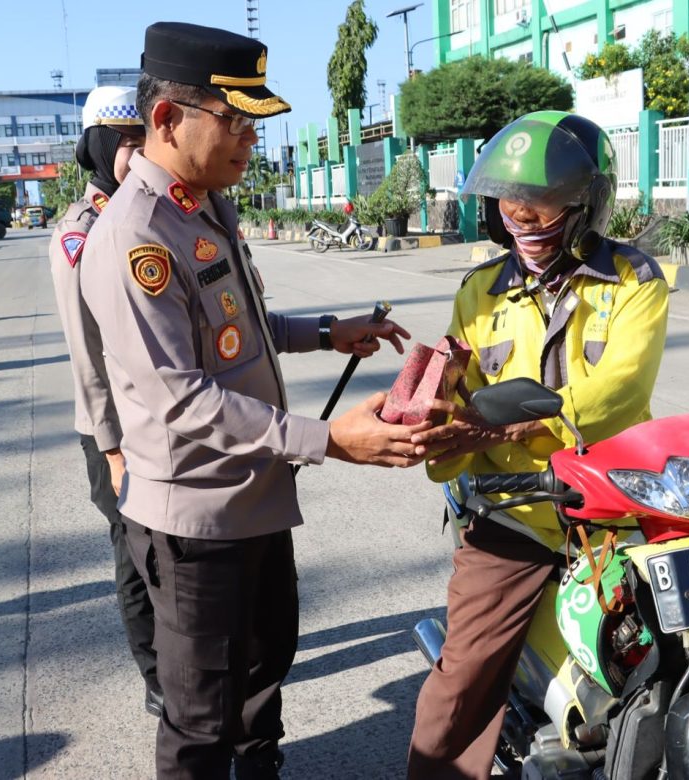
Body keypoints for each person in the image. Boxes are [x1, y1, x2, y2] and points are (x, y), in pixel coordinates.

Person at [79, 22, 430, 780]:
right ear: (168, 120)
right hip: (198, 521)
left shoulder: (203, 208)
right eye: (232, 121)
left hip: (256, 499)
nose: (248, 140)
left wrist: (329, 331)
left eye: (251, 124)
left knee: (262, 683)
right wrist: (330, 439)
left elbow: (238, 335)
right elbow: (181, 397)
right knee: (201, 720)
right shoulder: (136, 237)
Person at [405, 111, 670, 778]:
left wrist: (514, 421)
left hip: (612, 508)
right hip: (512, 514)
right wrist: (430, 422)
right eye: (510, 202)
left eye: (543, 201)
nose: (523, 216)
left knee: (682, 646)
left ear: (585, 203)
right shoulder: (479, 293)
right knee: (462, 682)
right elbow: (454, 420)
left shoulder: (635, 281)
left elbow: (618, 392)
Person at [47, 85, 162, 717]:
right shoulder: (80, 233)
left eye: (140, 139)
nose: (133, 152)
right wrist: (112, 446)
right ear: (95, 146)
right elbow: (85, 352)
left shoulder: (152, 215)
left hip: (163, 415)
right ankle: (156, 674)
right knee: (133, 548)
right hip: (112, 425)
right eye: (121, 141)